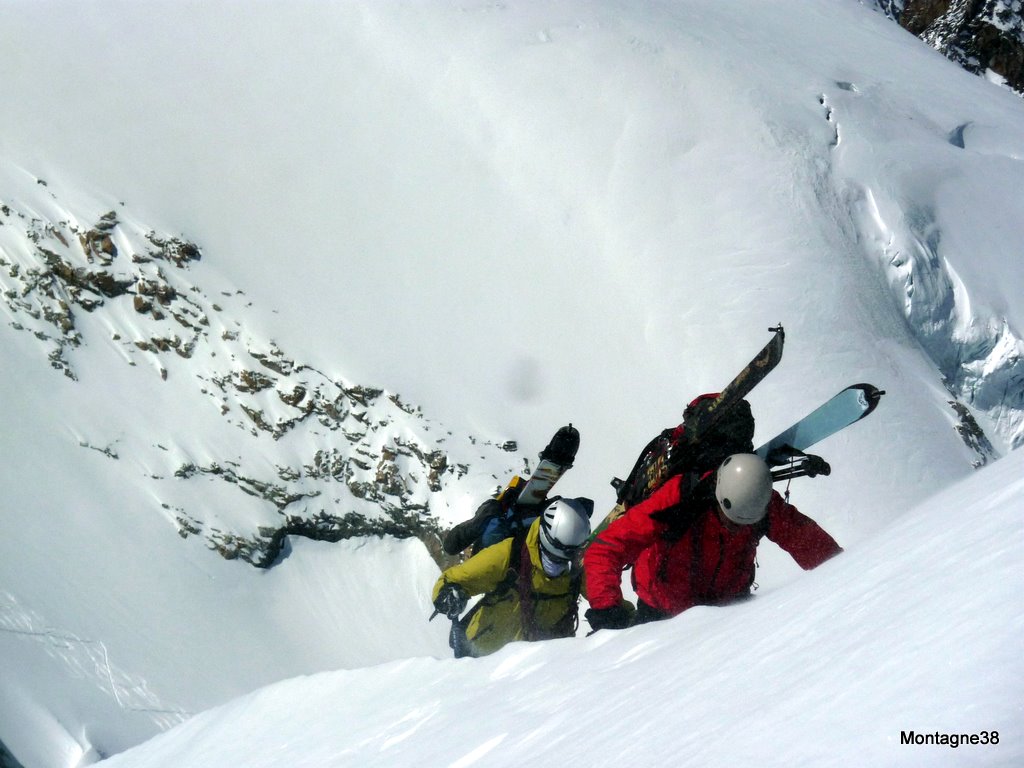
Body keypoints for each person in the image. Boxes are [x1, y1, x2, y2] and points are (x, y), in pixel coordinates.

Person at [585, 439, 842, 631]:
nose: (735, 529)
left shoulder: (762, 503)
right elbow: (607, 547)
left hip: (731, 613)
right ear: (718, 498)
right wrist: (607, 609)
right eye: (730, 520)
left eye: (743, 524)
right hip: (662, 616)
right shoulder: (679, 498)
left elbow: (809, 542)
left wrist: (848, 577)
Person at [432, 497, 592, 657]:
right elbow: (452, 579)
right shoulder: (510, 554)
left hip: (543, 664)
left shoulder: (576, 568)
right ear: (546, 539)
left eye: (572, 555)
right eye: (559, 556)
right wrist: (447, 595)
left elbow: (599, 592)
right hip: (481, 657)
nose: (564, 563)